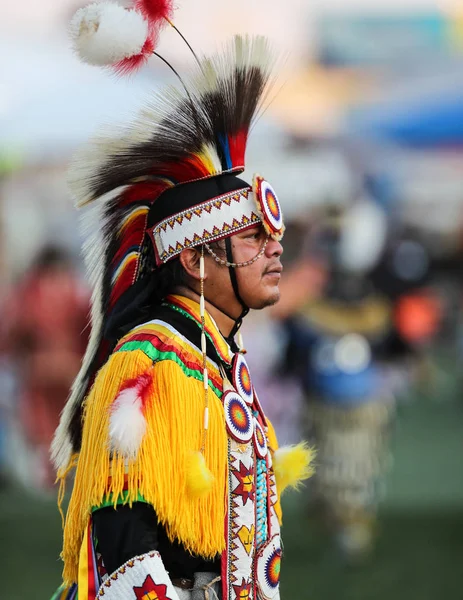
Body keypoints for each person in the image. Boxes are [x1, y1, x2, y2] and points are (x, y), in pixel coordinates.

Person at [51, 3, 313, 599]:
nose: (276, 252)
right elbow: (124, 549)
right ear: (195, 260)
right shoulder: (149, 367)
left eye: (275, 238)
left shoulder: (217, 361)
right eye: (253, 239)